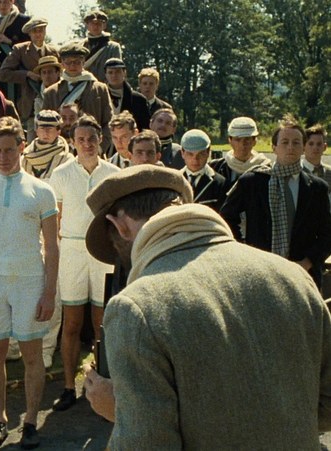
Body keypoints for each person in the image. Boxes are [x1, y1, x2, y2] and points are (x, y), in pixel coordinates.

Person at [81, 164, 331, 449]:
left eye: (113, 244)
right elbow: (326, 406)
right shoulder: (292, 276)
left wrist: (126, 413)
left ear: (119, 226)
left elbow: (148, 443)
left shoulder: (135, 307)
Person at [0, 117, 58, 449]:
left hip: (30, 280)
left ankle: (31, 421)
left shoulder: (42, 190)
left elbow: (52, 246)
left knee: (32, 354)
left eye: (9, 150)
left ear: (21, 147)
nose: (3, 157)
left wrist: (49, 292)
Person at [48, 114, 119, 412]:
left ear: (100, 140)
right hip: (72, 252)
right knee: (72, 323)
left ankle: (103, 388)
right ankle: (69, 387)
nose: (87, 144)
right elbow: (55, 219)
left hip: (104, 253)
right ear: (73, 142)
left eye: (91, 139)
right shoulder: (61, 173)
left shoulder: (114, 173)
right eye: (81, 140)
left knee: (102, 324)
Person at [220, 115, 331, 289]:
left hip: (303, 275)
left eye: (296, 142)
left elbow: (327, 233)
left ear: (303, 147)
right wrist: (244, 251)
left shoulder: (317, 188)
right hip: (258, 272)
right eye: (284, 142)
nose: (290, 147)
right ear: (274, 147)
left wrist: (307, 262)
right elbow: (226, 219)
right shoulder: (253, 181)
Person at [43, 42, 113, 155]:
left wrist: (100, 148)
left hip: (93, 148)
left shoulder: (100, 89)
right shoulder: (51, 92)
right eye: (68, 62)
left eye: (77, 62)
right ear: (62, 64)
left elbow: (109, 122)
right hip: (60, 151)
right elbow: (45, 125)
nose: (72, 66)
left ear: (83, 62)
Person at [0, 18, 59, 125]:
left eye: (41, 30)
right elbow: (3, 74)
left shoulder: (54, 51)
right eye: (34, 31)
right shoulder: (20, 50)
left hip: (54, 103)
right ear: (29, 33)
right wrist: (27, 74)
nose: (38, 34)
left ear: (45, 31)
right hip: (30, 105)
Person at [209, 116, 270, 190]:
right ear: (230, 141)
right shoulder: (216, 168)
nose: (242, 144)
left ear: (254, 141)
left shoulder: (266, 170)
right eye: (237, 139)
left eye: (247, 139)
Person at [179, 129, 227, 211]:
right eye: (190, 154)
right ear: (182, 153)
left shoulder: (220, 183)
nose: (195, 160)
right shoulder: (174, 181)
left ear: (208, 152)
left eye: (200, 154)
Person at [22, 109, 72, 182]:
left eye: (50, 129)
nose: (45, 132)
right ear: (37, 131)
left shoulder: (67, 159)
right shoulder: (25, 157)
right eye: (42, 128)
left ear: (58, 132)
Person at [103, 59, 149, 132]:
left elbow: (144, 128)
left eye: (118, 72)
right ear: (105, 75)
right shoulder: (99, 97)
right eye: (110, 72)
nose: (114, 75)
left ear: (124, 73)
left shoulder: (139, 100)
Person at [80, 10, 122, 83]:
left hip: (105, 85)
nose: (96, 26)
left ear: (104, 25)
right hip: (83, 85)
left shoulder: (113, 47)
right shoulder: (80, 46)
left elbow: (116, 70)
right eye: (92, 23)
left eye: (99, 23)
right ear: (87, 25)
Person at [303, 124, 331, 197]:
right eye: (311, 144)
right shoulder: (297, 172)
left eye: (319, 144)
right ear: (303, 146)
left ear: (324, 147)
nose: (315, 147)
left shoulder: (329, 172)